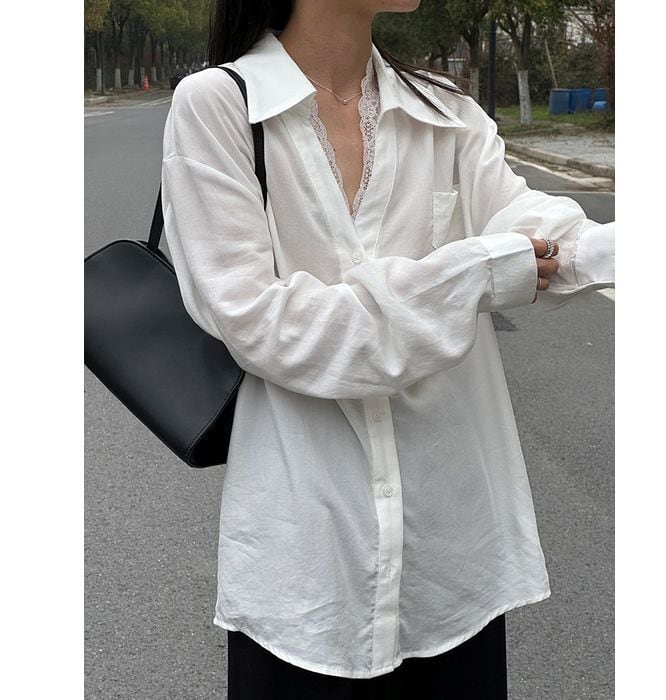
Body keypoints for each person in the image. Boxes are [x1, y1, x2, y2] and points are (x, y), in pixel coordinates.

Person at [161, 1, 614, 697]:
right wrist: (475, 272)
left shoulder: (443, 109)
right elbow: (266, 325)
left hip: (453, 561)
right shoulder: (220, 106)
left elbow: (539, 227)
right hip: (308, 571)